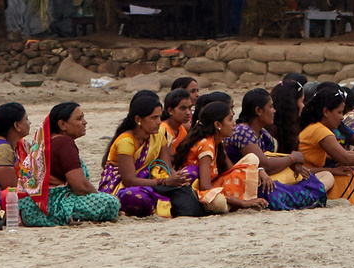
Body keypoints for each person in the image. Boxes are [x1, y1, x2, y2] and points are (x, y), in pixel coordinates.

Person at [99, 89, 202, 217]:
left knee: (192, 171)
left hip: (154, 180)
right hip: (126, 186)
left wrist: (177, 179)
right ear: (138, 119)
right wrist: (164, 182)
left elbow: (167, 166)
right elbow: (129, 180)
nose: (159, 122)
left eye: (159, 117)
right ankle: (163, 203)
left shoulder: (159, 134)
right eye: (154, 118)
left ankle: (162, 202)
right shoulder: (126, 141)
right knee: (133, 196)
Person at [22, 102, 124, 225]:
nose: (84, 122)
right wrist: (99, 196)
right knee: (110, 203)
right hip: (53, 205)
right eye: (79, 119)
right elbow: (80, 186)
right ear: (62, 124)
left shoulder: (49, 142)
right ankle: (72, 218)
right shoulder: (64, 143)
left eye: (83, 117)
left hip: (31, 207)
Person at [181, 93, 274, 212]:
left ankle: (236, 202)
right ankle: (240, 202)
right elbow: (205, 186)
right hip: (201, 192)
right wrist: (242, 202)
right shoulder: (206, 145)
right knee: (219, 203)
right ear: (218, 125)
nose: (234, 123)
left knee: (252, 158)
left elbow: (232, 170)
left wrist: (259, 170)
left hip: (216, 186)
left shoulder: (218, 142)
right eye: (230, 120)